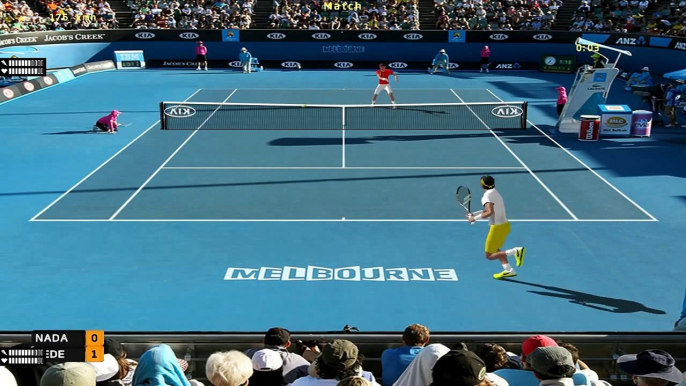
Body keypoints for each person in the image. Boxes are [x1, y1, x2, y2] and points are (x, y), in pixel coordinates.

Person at [468, 175, 525, 279]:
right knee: (496, 248)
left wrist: (474, 219)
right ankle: (509, 270)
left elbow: (489, 212)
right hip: (505, 226)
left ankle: (515, 251)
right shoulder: (494, 192)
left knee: (489, 255)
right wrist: (474, 215)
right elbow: (489, 211)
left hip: (497, 228)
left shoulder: (486, 197)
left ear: (482, 185)